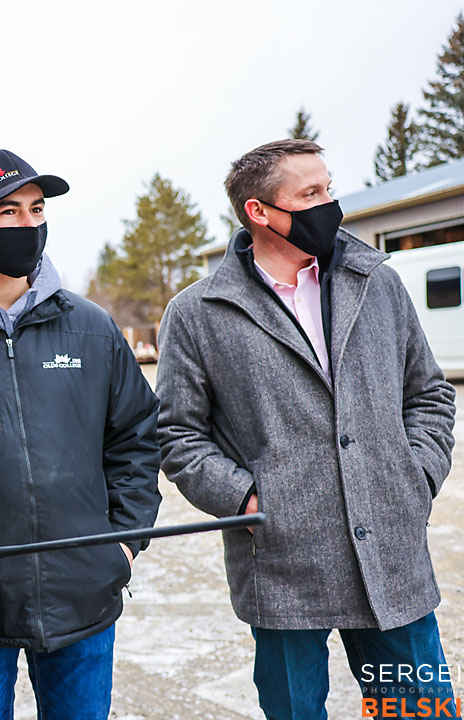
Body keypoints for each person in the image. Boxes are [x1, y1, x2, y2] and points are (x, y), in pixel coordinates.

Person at [155, 139, 457, 719]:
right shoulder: (198, 313)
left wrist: (414, 475)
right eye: (310, 193)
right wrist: (248, 499)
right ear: (259, 212)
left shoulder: (376, 282)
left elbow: (429, 393)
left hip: (390, 561)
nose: (329, 204)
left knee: (421, 710)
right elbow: (178, 435)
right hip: (283, 566)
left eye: (329, 188)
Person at [0, 148, 162, 720]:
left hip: (83, 600)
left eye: (36, 210)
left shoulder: (91, 327)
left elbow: (136, 437)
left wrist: (122, 542)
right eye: (8, 212)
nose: (29, 225)